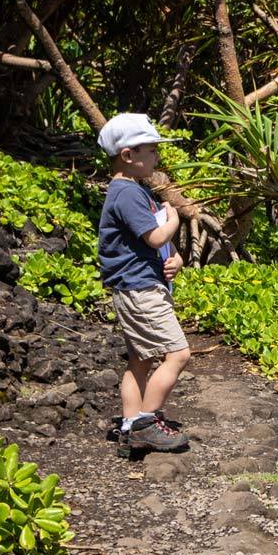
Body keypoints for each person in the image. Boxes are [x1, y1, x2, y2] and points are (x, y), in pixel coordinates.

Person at [97, 113, 190, 456]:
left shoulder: (136, 192)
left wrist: (175, 256)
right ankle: (145, 424)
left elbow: (155, 242)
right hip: (139, 289)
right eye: (151, 151)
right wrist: (175, 220)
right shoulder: (126, 194)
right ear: (128, 155)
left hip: (138, 285)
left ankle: (130, 423)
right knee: (178, 354)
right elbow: (155, 236)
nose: (156, 157)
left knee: (139, 360)